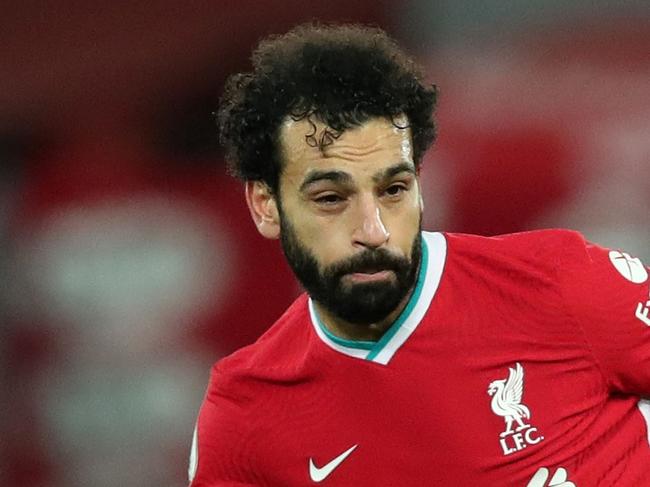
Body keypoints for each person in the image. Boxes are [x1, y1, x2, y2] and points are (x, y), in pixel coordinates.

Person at [188, 23, 650, 486]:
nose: (373, 230)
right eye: (331, 198)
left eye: (393, 190)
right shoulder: (242, 417)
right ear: (266, 206)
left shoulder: (559, 282)